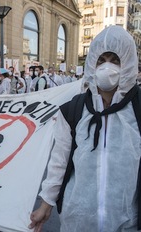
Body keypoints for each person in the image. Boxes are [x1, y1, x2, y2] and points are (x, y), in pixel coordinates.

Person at [29, 26, 141, 231]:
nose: (108, 67)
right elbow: (59, 161)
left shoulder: (137, 109)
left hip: (127, 222)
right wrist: (46, 204)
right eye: (102, 59)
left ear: (128, 63)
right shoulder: (74, 110)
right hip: (78, 220)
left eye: (115, 59)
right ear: (92, 63)